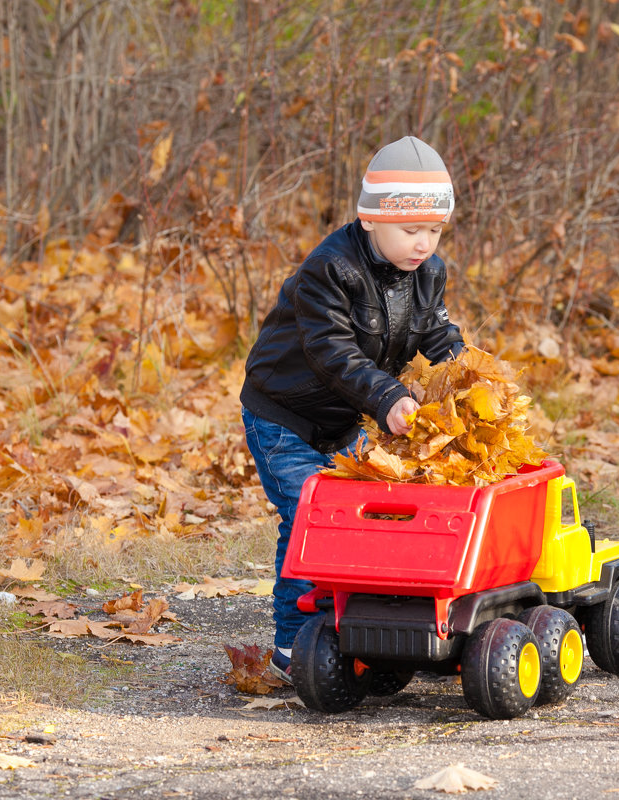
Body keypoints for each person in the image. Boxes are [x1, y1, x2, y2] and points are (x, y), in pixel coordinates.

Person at [239, 136, 465, 684]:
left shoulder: (427, 272)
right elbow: (331, 352)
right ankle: (293, 647)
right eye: (410, 231)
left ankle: (367, 628)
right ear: (370, 221)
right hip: (285, 414)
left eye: (434, 231)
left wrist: (465, 370)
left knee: (379, 512)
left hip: (344, 417)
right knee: (310, 516)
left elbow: (433, 329)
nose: (422, 244)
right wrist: (388, 396)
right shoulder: (330, 271)